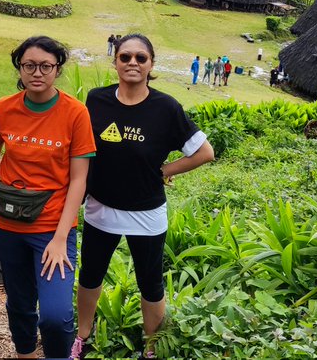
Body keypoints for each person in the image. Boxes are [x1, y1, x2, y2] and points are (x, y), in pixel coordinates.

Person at [74, 34, 216, 359]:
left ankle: (150, 347)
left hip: (146, 214)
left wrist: (167, 169)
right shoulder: (96, 100)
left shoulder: (165, 108)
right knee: (91, 275)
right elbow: (81, 148)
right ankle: (82, 336)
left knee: (150, 284)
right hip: (100, 208)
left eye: (141, 58)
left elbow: (204, 152)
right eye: (125, 57)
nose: (132, 63)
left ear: (151, 64)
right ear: (115, 62)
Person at [0, 36, 96, 360]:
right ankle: (25, 353)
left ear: (57, 69)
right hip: (8, 225)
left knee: (56, 315)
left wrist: (62, 236)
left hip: (52, 229)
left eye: (46, 66)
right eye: (29, 65)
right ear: (19, 68)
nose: (37, 72)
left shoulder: (75, 113)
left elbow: (79, 179)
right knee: (19, 304)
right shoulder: (4, 108)